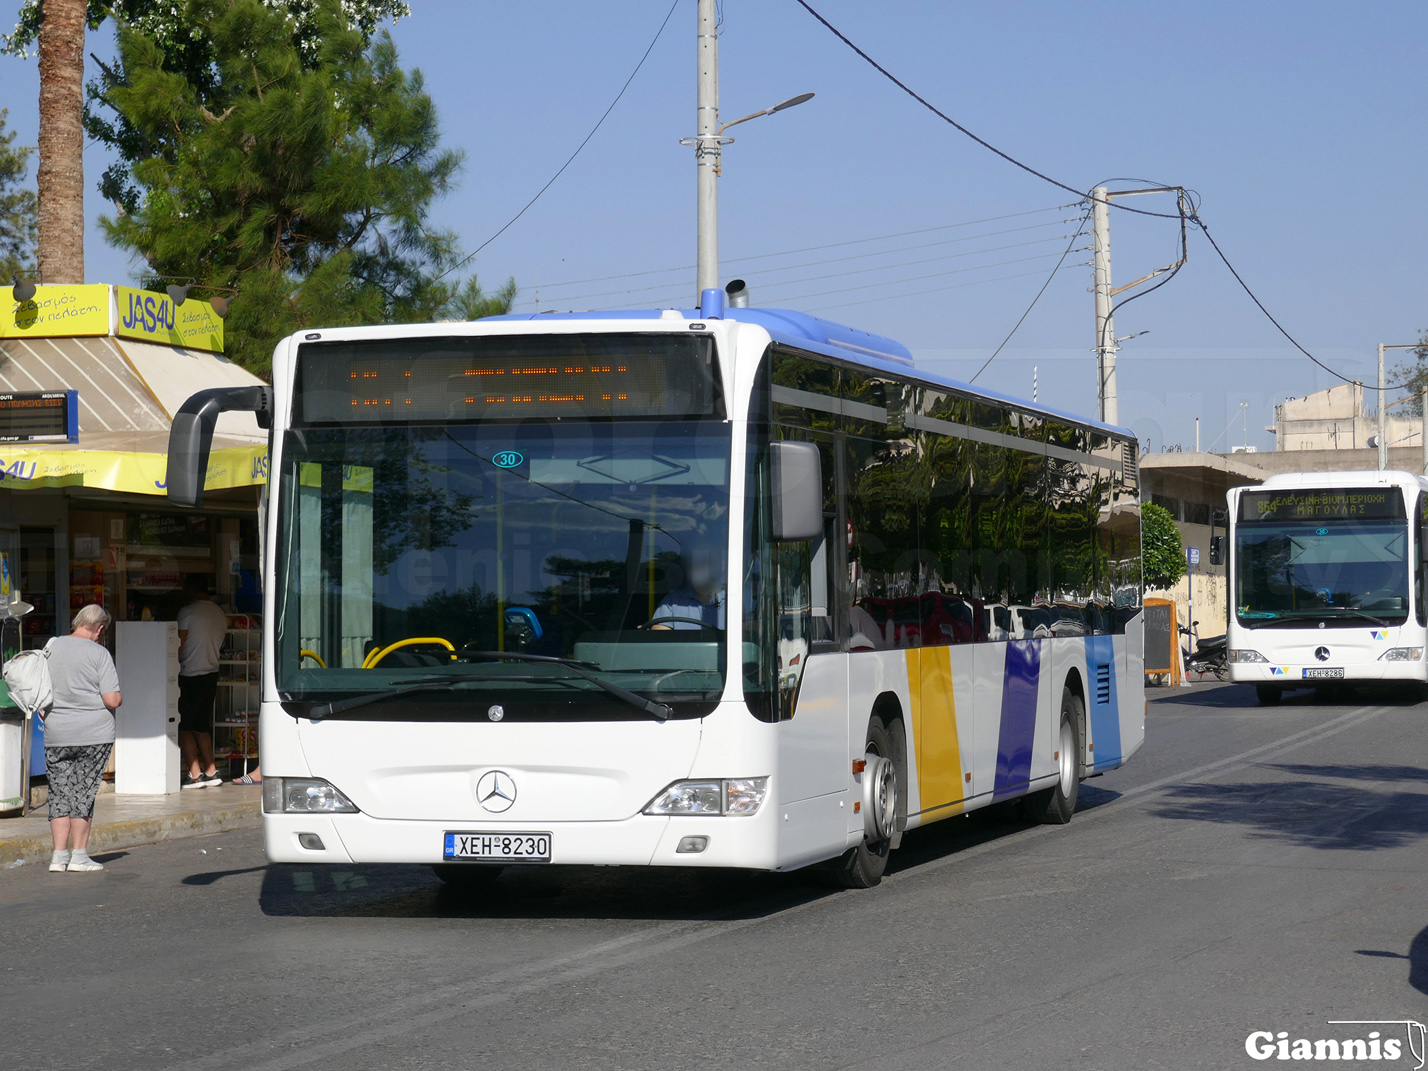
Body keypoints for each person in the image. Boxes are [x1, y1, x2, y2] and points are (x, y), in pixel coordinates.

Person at [44, 604, 122, 873]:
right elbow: (112, 699)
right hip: (92, 734)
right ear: (99, 628)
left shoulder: (51, 647)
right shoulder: (99, 653)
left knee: (59, 794)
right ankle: (78, 856)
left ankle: (58, 857)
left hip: (56, 732)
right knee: (82, 794)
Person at [177, 575, 228, 789]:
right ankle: (211, 769)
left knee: (184, 725)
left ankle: (194, 773)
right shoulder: (219, 613)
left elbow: (179, 645)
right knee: (201, 725)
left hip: (190, 674)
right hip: (211, 673)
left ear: (191, 590)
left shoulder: (187, 613)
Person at [651, 548, 725, 631]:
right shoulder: (672, 601)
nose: (698, 567)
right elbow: (660, 638)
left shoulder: (735, 600)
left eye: (704, 562)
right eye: (693, 563)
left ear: (721, 566)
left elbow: (741, 636)